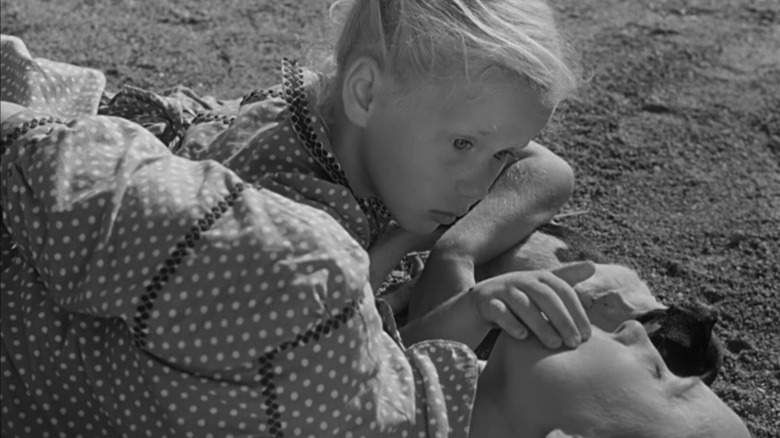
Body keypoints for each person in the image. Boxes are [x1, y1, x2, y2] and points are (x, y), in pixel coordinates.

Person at [0, 0, 751, 437]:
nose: (632, 330)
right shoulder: (301, 221)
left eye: (665, 374)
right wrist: (442, 255)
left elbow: (367, 358)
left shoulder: (315, 256)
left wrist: (419, 246)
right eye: (465, 143)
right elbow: (369, 349)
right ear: (361, 95)